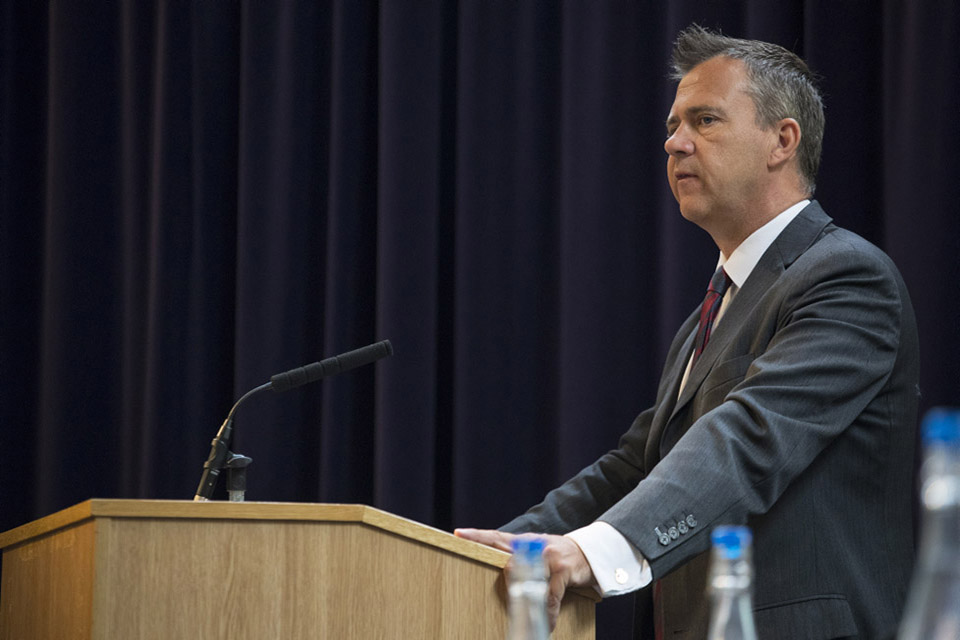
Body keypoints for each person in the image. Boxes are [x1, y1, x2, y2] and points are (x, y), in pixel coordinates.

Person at [456, 25, 919, 640]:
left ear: (782, 140)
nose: (675, 144)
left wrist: (594, 552)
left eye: (704, 121)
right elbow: (633, 468)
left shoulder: (847, 279)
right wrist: (492, 554)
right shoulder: (711, 311)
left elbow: (747, 438)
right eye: (673, 126)